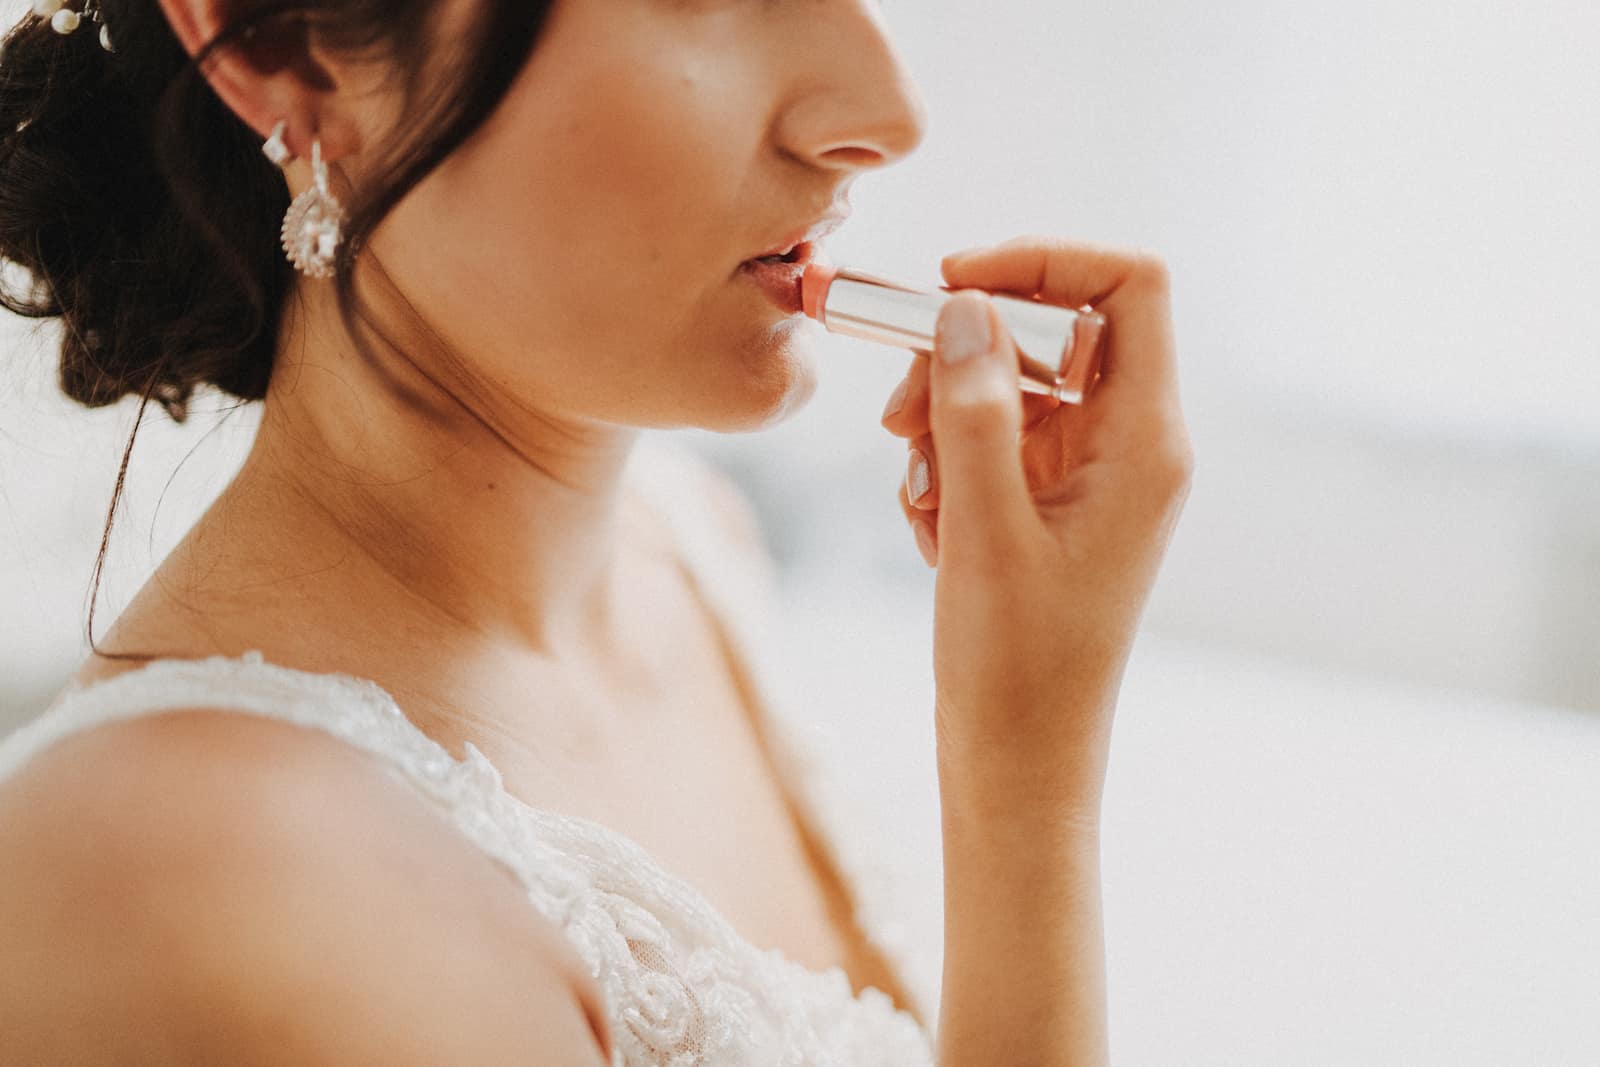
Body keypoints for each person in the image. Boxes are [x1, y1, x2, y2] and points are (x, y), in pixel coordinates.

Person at [0, 0, 1192, 1062]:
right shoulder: (199, 881)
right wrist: (1027, 789)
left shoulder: (683, 543)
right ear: (289, 53)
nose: (887, 112)